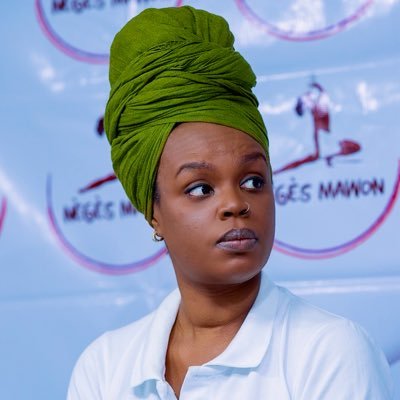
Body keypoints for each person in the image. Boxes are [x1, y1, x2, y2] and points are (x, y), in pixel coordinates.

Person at [67, 6, 393, 400]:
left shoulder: (330, 352)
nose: (235, 204)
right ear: (153, 212)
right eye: (200, 188)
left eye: (253, 181)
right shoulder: (104, 367)